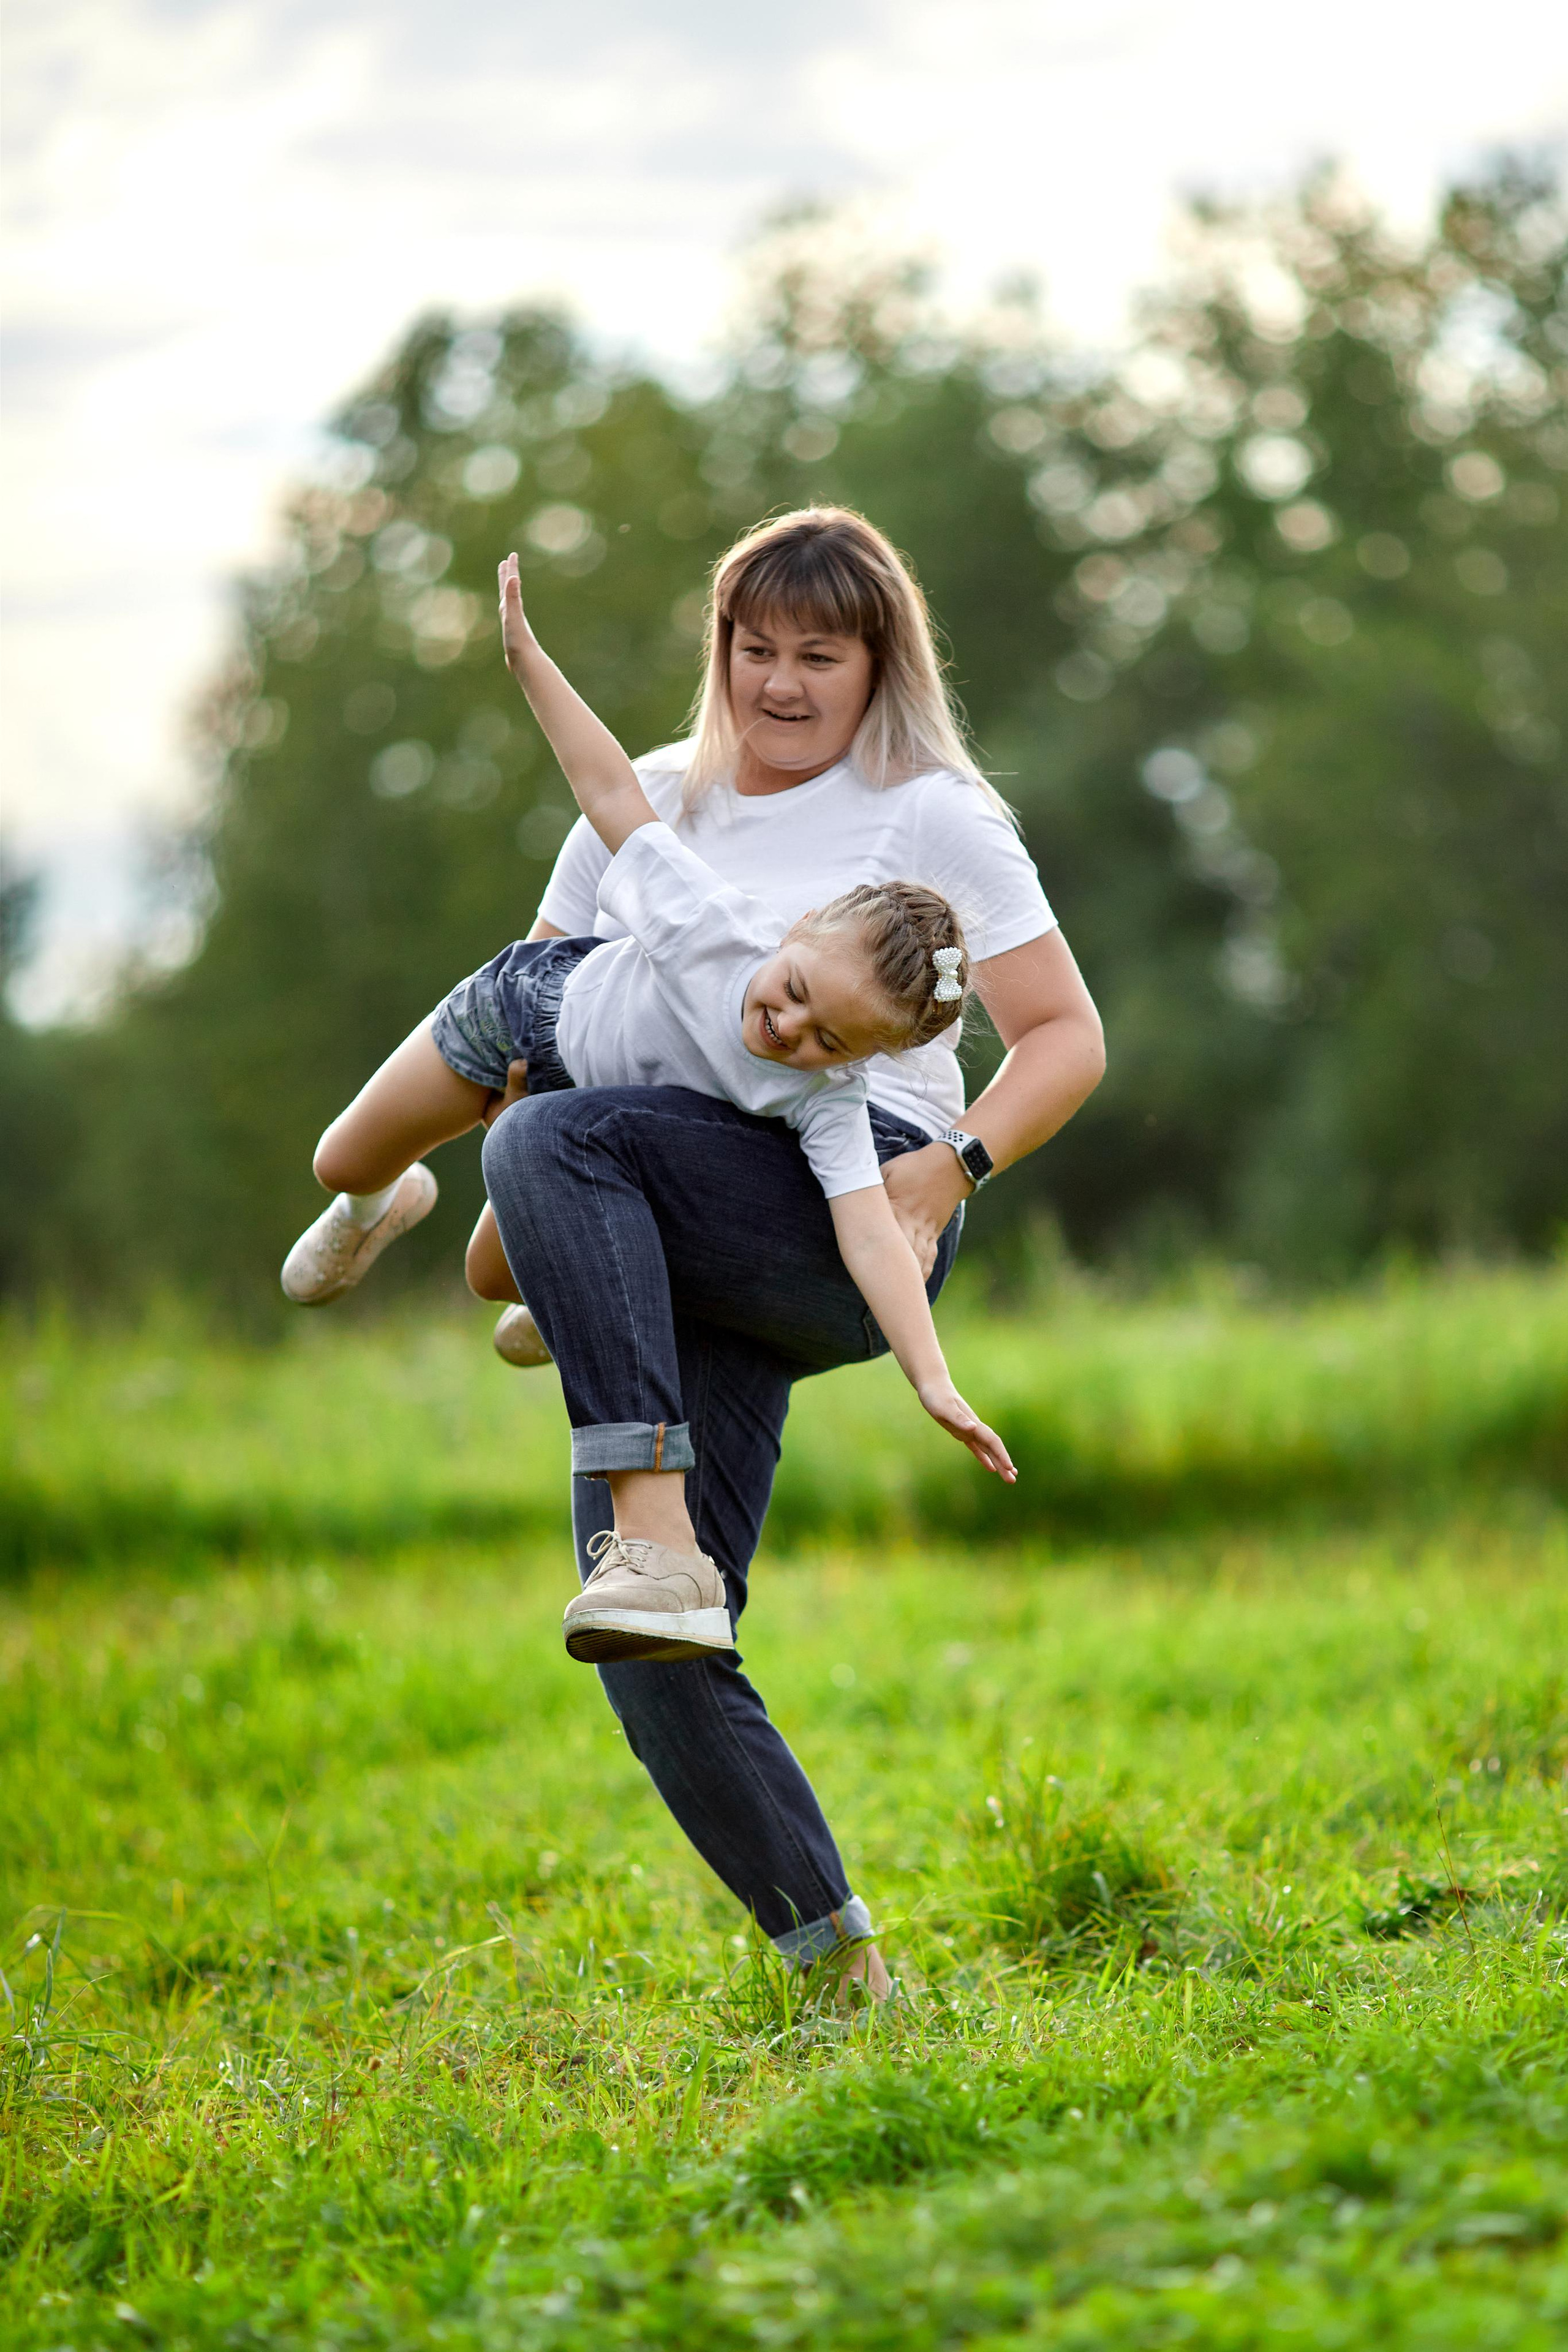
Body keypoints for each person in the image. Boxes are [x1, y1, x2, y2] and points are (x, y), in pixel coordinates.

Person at [473, 507, 1106, 1997]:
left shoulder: (928, 812)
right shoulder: (646, 801)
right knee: (647, 1635)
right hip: (678, 1213)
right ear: (719, 652)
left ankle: (652, 1516)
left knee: (550, 1149)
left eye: (818, 654)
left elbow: (1064, 1039)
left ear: (876, 661)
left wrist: (943, 1179)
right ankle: (838, 1970)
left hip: (844, 1215)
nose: (779, 682)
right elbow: (537, 1009)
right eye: (754, 649)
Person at [283, 554, 1015, 1660]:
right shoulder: (714, 922)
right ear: (794, 934)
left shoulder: (825, 1096)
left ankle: (560, 1288)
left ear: (862, 1061)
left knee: (493, 1274)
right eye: (798, 995)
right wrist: (529, 661)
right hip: (522, 1010)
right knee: (344, 1155)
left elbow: (870, 1233)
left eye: (831, 1041)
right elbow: (609, 789)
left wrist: (935, 1377)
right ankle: (375, 1205)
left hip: (606, 1100)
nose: (791, 1032)